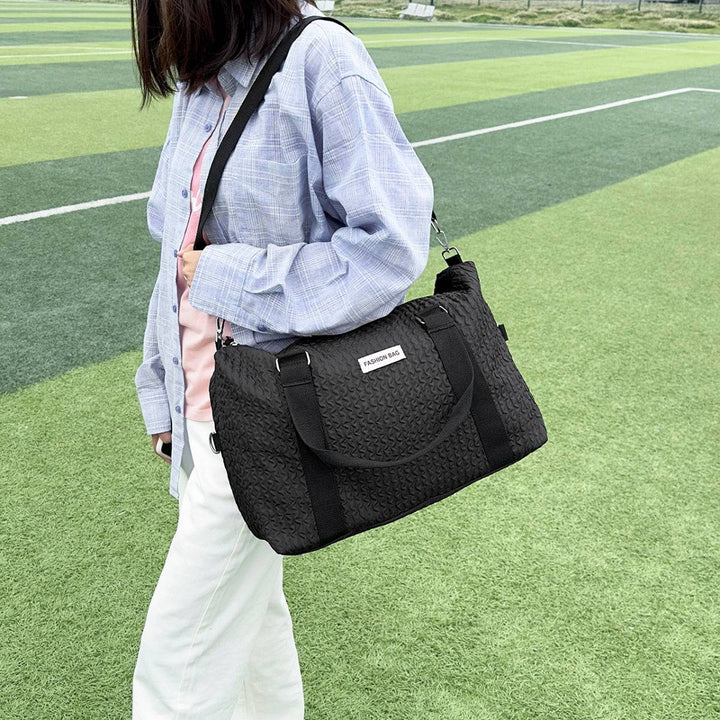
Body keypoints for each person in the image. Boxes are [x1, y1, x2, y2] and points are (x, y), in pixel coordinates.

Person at [130, 0, 434, 717]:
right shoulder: (199, 82)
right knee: (252, 626)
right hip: (202, 404)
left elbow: (389, 246)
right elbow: (174, 256)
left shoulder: (321, 59)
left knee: (177, 667)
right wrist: (159, 387)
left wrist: (223, 273)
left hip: (267, 416)